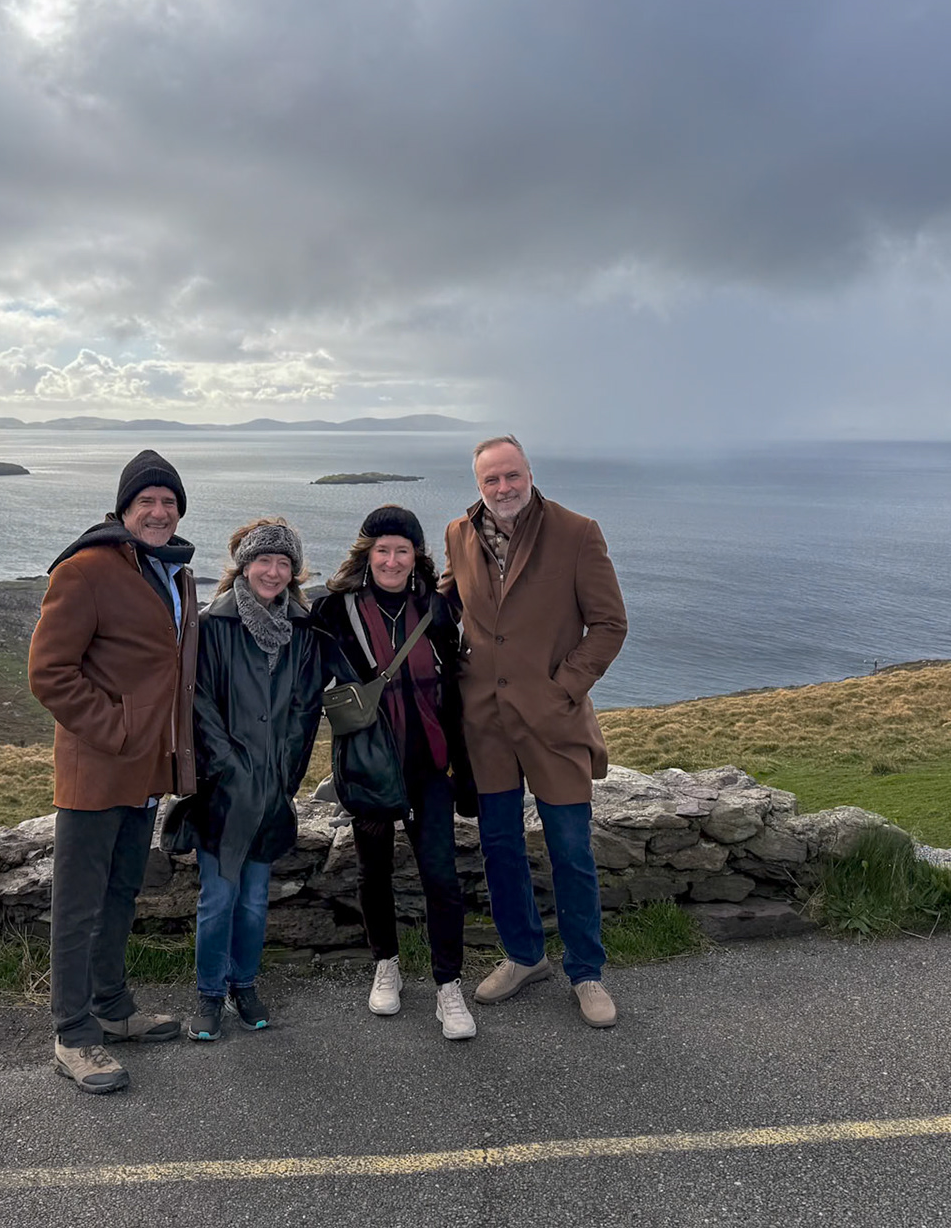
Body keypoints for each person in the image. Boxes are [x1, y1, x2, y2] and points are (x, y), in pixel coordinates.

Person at [440, 435, 629, 1029]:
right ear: (479, 484)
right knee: (499, 848)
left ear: (529, 473)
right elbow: (449, 601)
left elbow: (609, 624)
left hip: (554, 722)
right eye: (491, 480)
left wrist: (561, 689)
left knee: (570, 851)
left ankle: (586, 971)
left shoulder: (578, 532)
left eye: (512, 476)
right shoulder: (457, 534)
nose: (503, 488)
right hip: (486, 726)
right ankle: (525, 957)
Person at [28, 449, 199, 1094]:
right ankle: (73, 1033)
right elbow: (49, 673)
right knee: (78, 905)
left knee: (122, 893)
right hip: (99, 768)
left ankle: (113, 1007)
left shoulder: (173, 572)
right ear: (124, 508)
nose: (158, 511)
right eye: (145, 501)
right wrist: (118, 729)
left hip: (148, 771)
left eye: (168, 501)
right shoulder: (87, 570)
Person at [310, 504, 480, 1041]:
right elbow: (307, 669)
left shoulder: (436, 609)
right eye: (381, 550)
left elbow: (457, 686)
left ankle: (448, 986)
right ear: (367, 554)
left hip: (429, 765)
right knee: (373, 871)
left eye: (401, 550)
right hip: (369, 765)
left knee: (441, 878)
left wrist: (465, 767)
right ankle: (386, 964)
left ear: (415, 557)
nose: (390, 559)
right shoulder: (336, 611)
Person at [178, 517, 323, 1042]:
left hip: (271, 791)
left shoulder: (303, 632)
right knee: (218, 897)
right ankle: (210, 994)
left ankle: (245, 984)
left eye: (284, 562)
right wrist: (230, 768)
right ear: (244, 564)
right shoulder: (212, 625)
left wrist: (284, 773)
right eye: (264, 559)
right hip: (223, 790)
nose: (274, 571)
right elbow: (199, 704)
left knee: (256, 898)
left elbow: (307, 710)